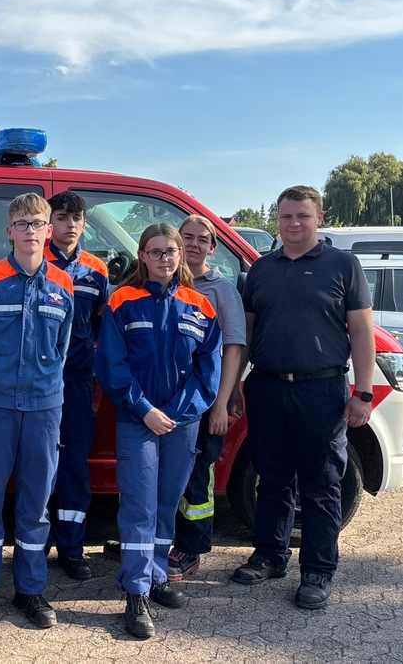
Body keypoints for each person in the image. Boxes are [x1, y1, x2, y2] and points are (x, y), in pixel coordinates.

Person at [231, 185, 374, 611]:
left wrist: (362, 393)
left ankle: (317, 571)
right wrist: (235, 384)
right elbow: (247, 333)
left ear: (319, 217)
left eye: (302, 216)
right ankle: (271, 556)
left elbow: (362, 333)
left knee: (321, 484)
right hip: (268, 386)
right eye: (286, 216)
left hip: (322, 388)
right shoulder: (260, 269)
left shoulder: (343, 266)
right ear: (277, 219)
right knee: (271, 477)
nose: (293, 224)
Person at [95, 222, 221, 639]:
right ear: (142, 257)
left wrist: (176, 412)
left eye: (171, 251)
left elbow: (208, 371)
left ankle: (156, 577)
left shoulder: (200, 306)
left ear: (180, 255)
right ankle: (135, 593)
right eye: (155, 251)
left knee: (166, 504)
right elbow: (112, 366)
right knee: (138, 508)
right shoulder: (122, 301)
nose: (164, 258)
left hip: (181, 424)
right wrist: (145, 409)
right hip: (138, 421)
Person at [0, 193, 74, 630]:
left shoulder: (63, 285)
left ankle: (30, 590)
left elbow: (63, 350)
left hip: (45, 407)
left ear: (49, 231)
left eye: (37, 223)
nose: (30, 230)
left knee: (36, 505)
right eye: (22, 223)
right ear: (9, 230)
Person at [166, 215, 247, 582]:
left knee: (197, 477)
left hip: (204, 402)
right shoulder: (166, 279)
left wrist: (221, 404)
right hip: (167, 400)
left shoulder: (220, 289)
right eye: (188, 238)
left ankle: (192, 548)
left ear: (213, 248)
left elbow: (233, 348)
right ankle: (158, 539)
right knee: (166, 474)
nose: (194, 245)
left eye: (203, 239)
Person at [42, 190, 109, 581]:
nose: (69, 224)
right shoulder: (35, 262)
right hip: (39, 382)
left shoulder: (96, 270)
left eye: (76, 218)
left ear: (84, 224)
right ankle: (38, 544)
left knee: (74, 465)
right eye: (62, 217)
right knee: (39, 466)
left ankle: (71, 547)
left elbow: (101, 328)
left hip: (79, 381)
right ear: (50, 223)